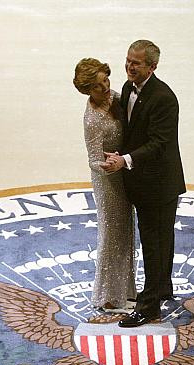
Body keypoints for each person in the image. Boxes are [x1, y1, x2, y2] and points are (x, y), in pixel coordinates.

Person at [102, 40, 185, 328]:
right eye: (128, 60)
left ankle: (149, 307)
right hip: (141, 182)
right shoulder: (127, 88)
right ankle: (161, 289)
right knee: (159, 240)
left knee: (154, 244)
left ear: (152, 66)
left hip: (160, 184)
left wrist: (125, 160)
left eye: (136, 63)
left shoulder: (164, 98)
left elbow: (160, 144)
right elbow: (133, 131)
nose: (129, 67)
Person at [73, 58, 136, 312]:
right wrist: (110, 165)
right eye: (99, 85)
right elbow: (92, 159)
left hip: (123, 172)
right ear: (88, 89)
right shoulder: (92, 119)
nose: (106, 87)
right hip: (108, 181)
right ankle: (108, 297)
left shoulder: (115, 97)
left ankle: (125, 290)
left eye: (106, 80)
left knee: (126, 231)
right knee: (111, 234)